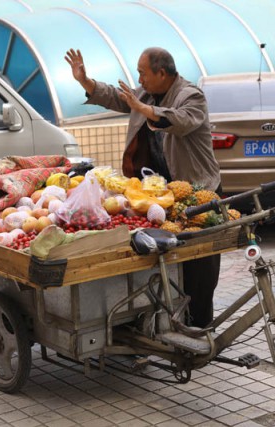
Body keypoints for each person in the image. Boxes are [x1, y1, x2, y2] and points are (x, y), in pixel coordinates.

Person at [65, 47, 222, 328]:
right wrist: (85, 81)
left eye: (143, 73)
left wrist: (143, 109)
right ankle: (162, 323)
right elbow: (115, 96)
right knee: (158, 258)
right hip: (157, 196)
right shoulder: (146, 94)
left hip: (195, 193)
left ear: (162, 73)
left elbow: (178, 120)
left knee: (199, 265)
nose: (140, 79)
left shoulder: (191, 95)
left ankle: (200, 329)